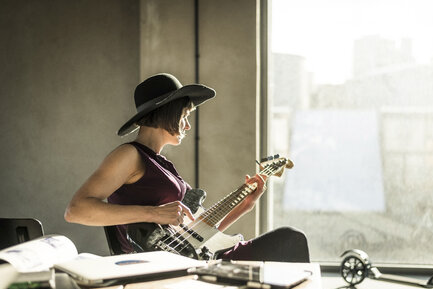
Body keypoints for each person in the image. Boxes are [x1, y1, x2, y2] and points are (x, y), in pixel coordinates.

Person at [65, 73, 310, 262]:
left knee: (290, 241)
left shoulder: (162, 164)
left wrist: (246, 206)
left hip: (197, 258)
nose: (187, 126)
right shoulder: (129, 155)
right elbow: (76, 210)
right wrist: (153, 213)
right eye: (184, 116)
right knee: (291, 240)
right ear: (167, 112)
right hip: (170, 266)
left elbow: (194, 239)